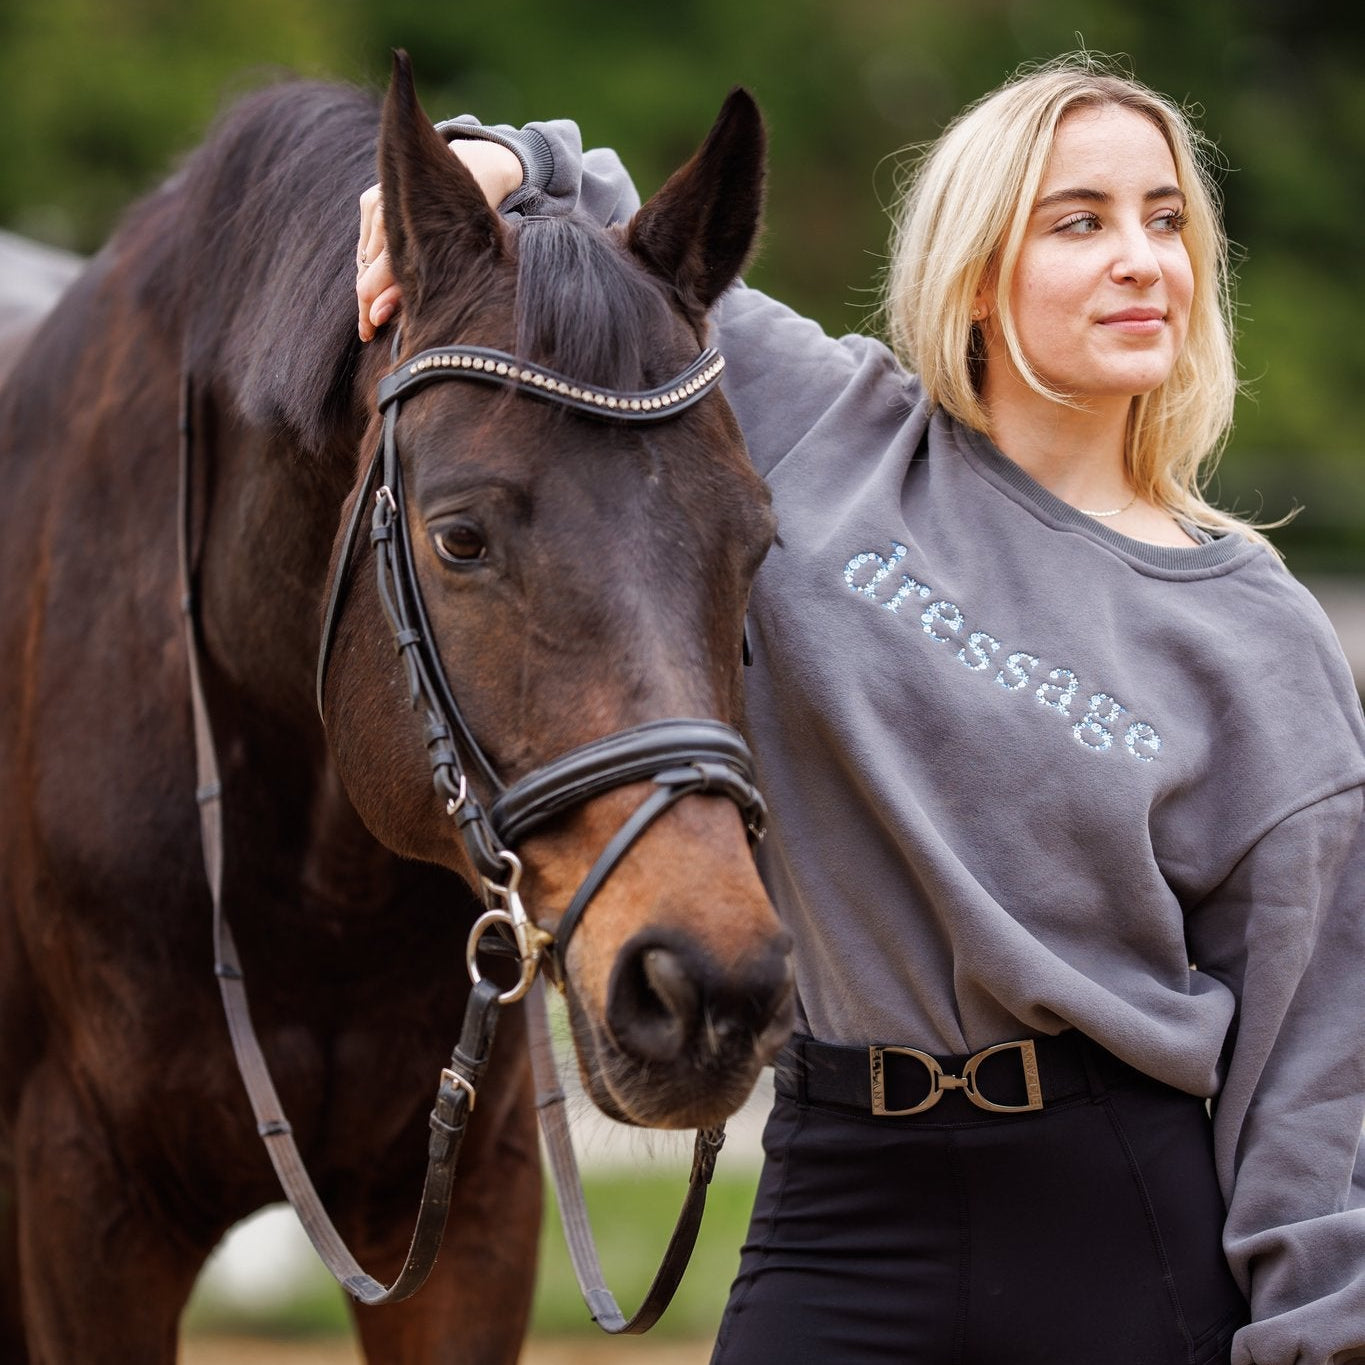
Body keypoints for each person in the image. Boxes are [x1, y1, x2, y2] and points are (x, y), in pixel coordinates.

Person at [356, 53, 1365, 1365]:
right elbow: (597, 213)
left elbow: (1317, 1056)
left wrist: (1319, 1337)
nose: (1138, 258)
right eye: (1079, 221)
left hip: (1114, 1220)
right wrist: (499, 154)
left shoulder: (1255, 634)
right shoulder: (817, 421)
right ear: (976, 270)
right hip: (839, 1193)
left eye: (1164, 219)